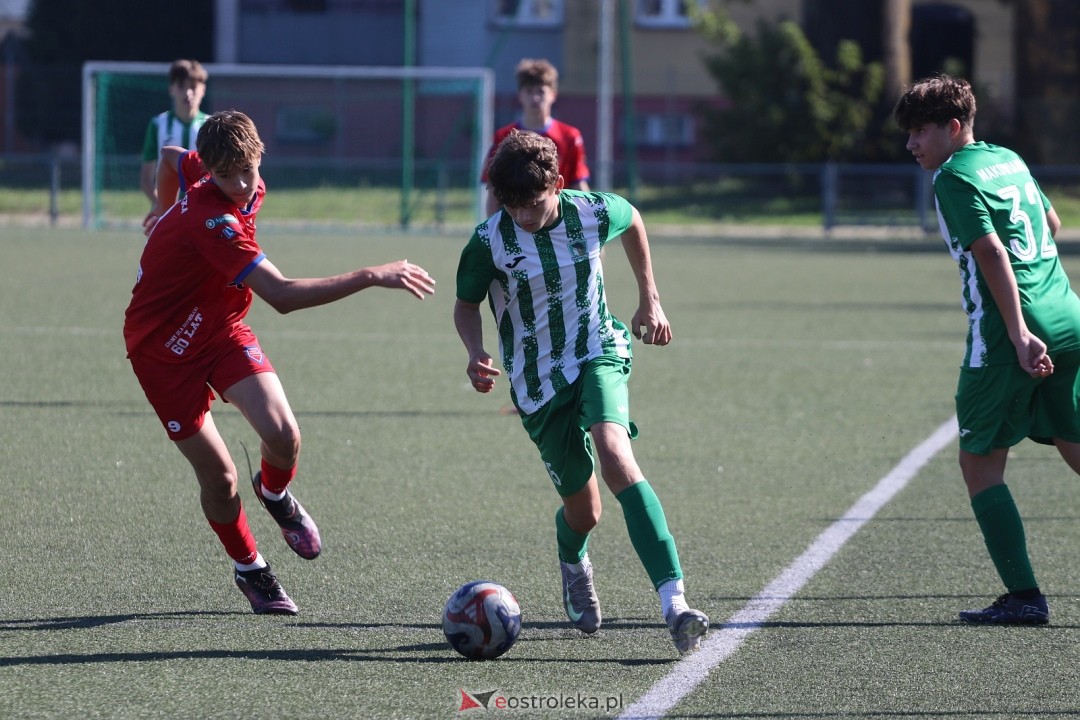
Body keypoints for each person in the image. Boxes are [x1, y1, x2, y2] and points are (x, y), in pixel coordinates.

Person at [125, 110, 436, 615]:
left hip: (220, 328)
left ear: (258, 154)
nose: (243, 185)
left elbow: (169, 161)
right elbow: (283, 295)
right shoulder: (213, 218)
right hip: (163, 351)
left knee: (284, 435)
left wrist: (162, 208)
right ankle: (250, 568)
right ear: (211, 169)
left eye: (248, 171)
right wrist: (371, 274)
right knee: (221, 481)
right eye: (228, 176)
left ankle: (274, 494)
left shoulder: (216, 173)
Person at [454, 130, 709, 654]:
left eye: (534, 204)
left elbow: (633, 217)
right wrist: (475, 351)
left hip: (598, 349)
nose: (523, 216)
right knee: (584, 511)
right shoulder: (488, 242)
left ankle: (675, 603)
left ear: (559, 184)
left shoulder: (591, 211)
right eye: (513, 207)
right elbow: (465, 304)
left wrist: (650, 300)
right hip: (536, 382)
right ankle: (573, 561)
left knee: (616, 453)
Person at [894, 74, 1078, 625]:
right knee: (1074, 443)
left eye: (920, 132)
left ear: (953, 128)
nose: (911, 145)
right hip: (1067, 313)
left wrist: (1020, 334)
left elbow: (993, 252)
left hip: (1008, 334)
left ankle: (1024, 597)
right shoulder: (1007, 158)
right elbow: (1051, 219)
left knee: (978, 460)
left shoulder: (952, 177)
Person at [481, 58, 590, 216]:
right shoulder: (504, 136)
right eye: (529, 91)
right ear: (520, 95)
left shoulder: (570, 136)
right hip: (517, 219)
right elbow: (493, 187)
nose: (535, 98)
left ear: (553, 95)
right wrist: (490, 228)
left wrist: (588, 218)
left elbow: (578, 182)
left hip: (556, 219)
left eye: (541, 91)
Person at [140, 59, 210, 209]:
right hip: (167, 212)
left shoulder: (212, 126)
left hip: (202, 211)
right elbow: (146, 178)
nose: (188, 93)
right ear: (171, 89)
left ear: (203, 89)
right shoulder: (158, 124)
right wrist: (162, 204)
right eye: (181, 86)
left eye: (193, 86)